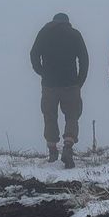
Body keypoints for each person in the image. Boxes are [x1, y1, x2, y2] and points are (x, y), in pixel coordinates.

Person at [30, 12, 89, 168]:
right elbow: (84, 59)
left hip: (49, 83)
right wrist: (79, 81)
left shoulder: (44, 32)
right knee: (72, 115)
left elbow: (33, 54)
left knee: (49, 115)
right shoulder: (74, 34)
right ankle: (68, 146)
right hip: (70, 83)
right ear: (67, 22)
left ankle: (52, 150)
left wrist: (42, 71)